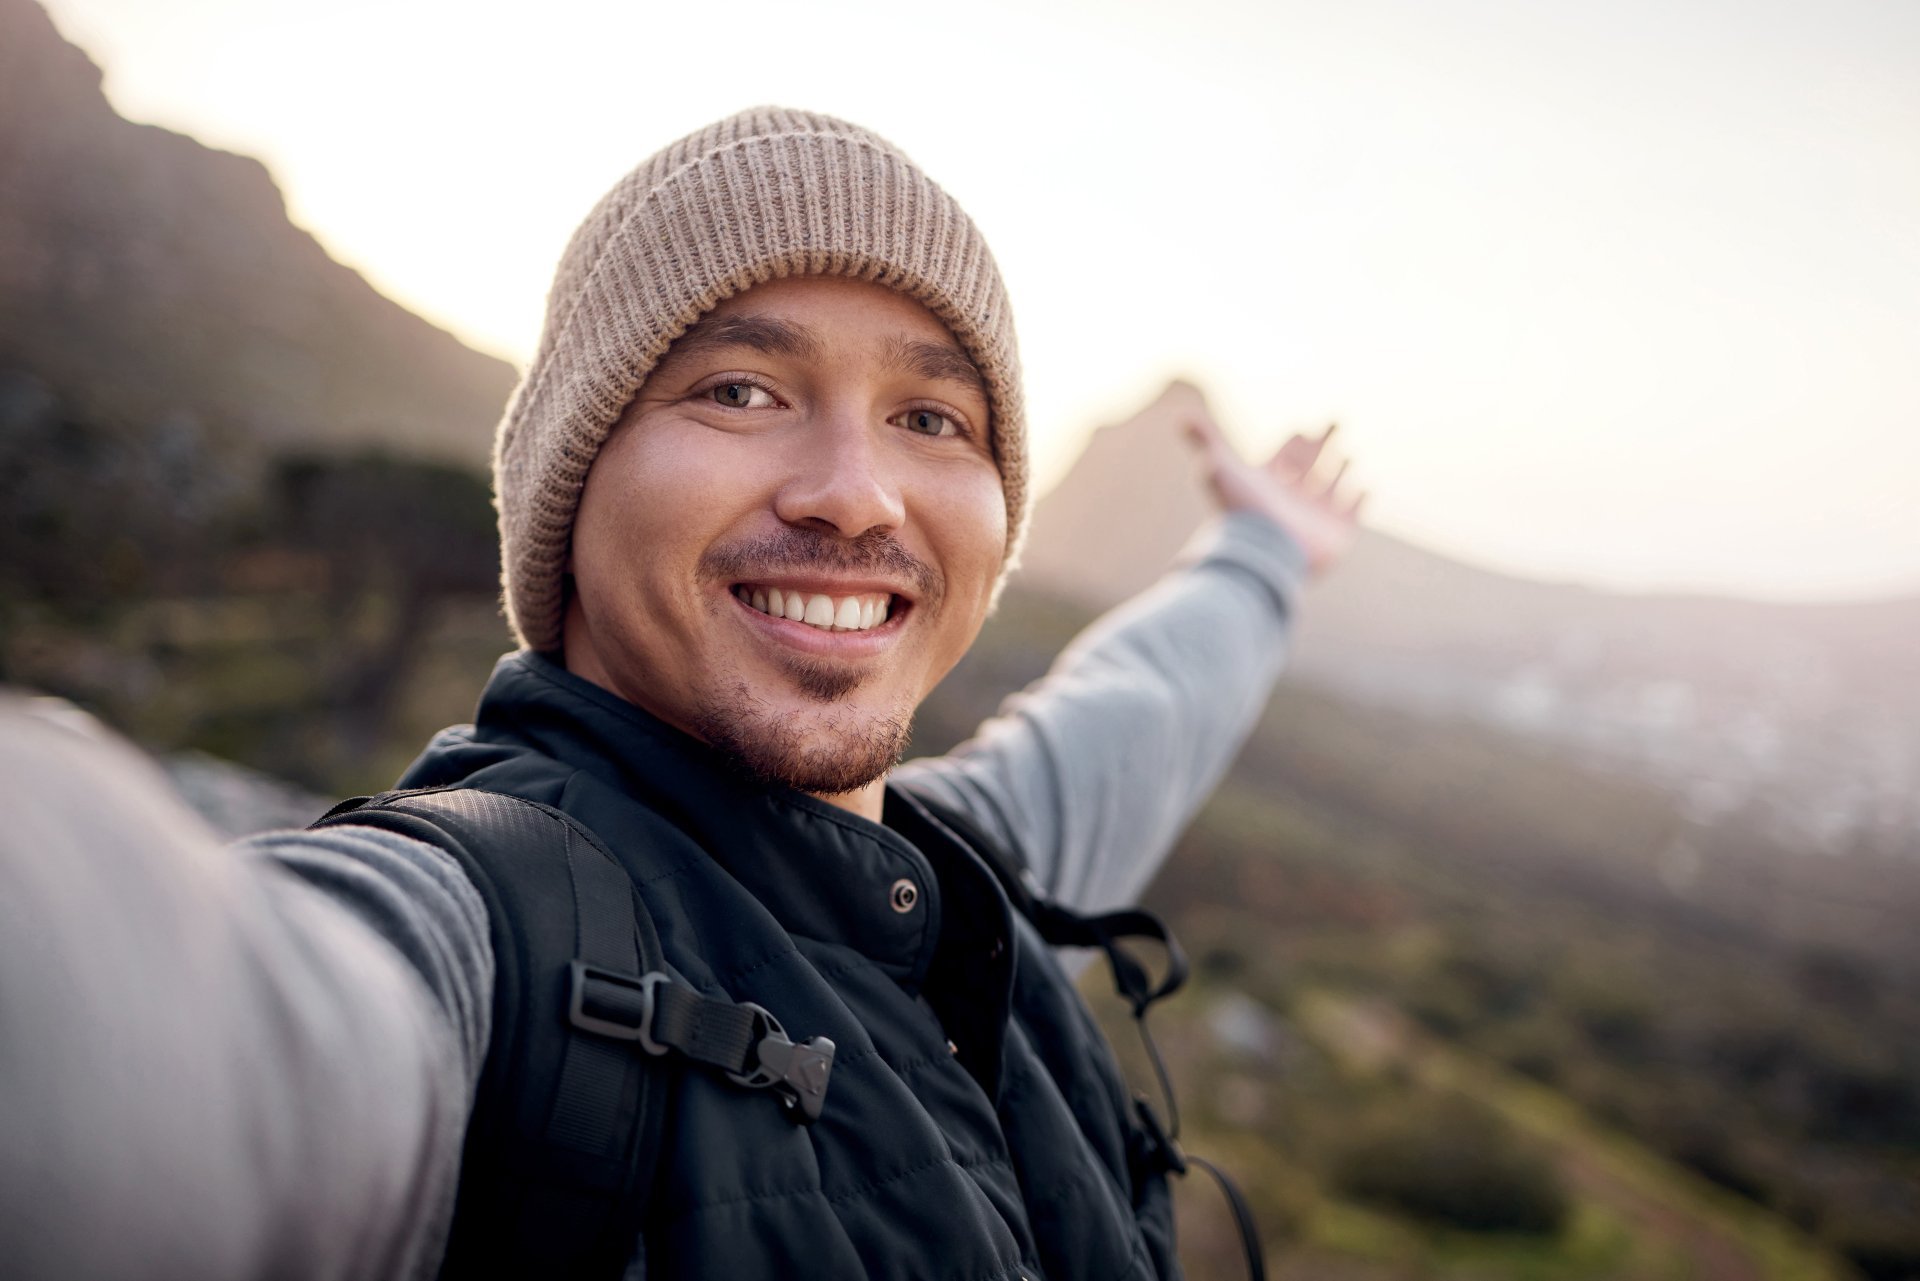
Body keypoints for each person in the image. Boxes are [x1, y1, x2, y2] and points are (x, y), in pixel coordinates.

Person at [0, 107, 1360, 1279]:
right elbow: (178, 1020)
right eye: (742, 388)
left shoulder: (967, 893)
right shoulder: (480, 948)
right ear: (571, 486)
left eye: (931, 418)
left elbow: (1137, 713)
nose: (856, 491)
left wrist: (1258, 556)